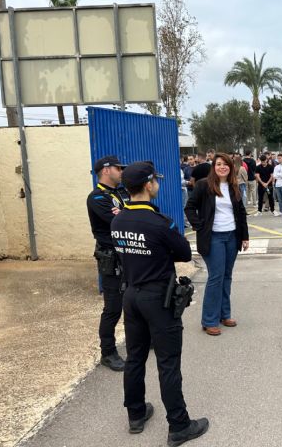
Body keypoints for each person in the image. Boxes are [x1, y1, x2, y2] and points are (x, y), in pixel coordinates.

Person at [112, 161, 209, 445]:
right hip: (157, 297)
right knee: (168, 362)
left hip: (131, 295)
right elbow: (183, 253)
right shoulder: (159, 222)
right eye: (156, 181)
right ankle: (179, 425)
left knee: (135, 357)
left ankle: (136, 413)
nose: (158, 185)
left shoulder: (118, 219)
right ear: (147, 185)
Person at [186, 153, 250, 336]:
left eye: (226, 164)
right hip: (213, 237)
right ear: (213, 166)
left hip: (232, 236)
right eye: (218, 164)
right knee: (216, 277)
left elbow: (241, 212)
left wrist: (244, 236)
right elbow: (189, 207)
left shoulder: (233, 186)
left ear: (231, 167)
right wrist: (200, 226)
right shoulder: (203, 185)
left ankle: (224, 314)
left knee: (227, 276)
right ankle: (209, 320)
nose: (222, 167)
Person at [86, 155, 128, 372]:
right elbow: (121, 220)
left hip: (128, 253)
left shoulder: (121, 193)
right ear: (105, 170)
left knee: (133, 301)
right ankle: (108, 352)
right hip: (110, 257)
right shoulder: (97, 198)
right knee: (113, 307)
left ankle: (137, 340)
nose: (121, 171)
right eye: (118, 168)